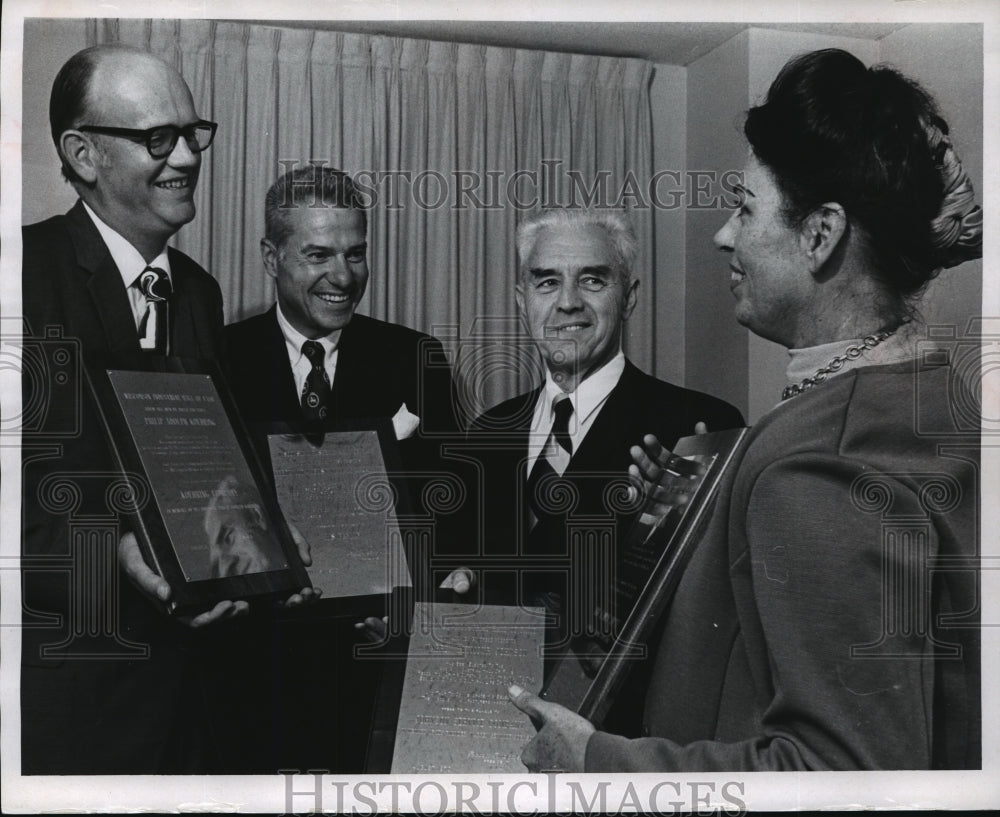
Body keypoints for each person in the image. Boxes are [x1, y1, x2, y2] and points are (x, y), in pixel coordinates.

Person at [508, 48, 982, 771]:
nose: (724, 235)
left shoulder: (822, 463)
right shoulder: (923, 385)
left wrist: (597, 759)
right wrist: (699, 528)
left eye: (744, 206)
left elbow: (839, 773)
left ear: (820, 235)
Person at [20, 43, 238, 773]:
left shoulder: (200, 294)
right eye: (156, 138)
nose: (185, 156)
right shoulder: (20, 280)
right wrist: (115, 554)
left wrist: (257, 533)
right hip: (77, 700)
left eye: (191, 132)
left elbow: (200, 472)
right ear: (83, 154)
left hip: (195, 702)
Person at [448, 208, 742, 731]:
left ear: (628, 296)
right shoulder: (486, 433)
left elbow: (710, 619)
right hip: (487, 731)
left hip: (620, 746)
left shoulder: (696, 428)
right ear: (522, 299)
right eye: (547, 282)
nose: (567, 302)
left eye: (592, 279)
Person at [217, 166, 460, 773]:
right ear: (271, 258)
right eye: (318, 255)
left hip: (374, 670)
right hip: (252, 673)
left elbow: (449, 500)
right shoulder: (217, 357)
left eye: (356, 254)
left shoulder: (415, 356)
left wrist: (418, 594)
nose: (343, 277)